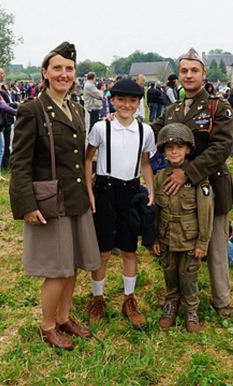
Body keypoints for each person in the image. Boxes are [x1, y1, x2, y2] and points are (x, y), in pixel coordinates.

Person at [9, 42, 101, 350]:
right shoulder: (31, 109)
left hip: (75, 198)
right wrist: (26, 204)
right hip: (51, 201)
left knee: (73, 264)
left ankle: (64, 317)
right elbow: (19, 161)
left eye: (69, 69)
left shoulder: (75, 107)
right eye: (57, 68)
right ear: (45, 73)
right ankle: (48, 326)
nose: (64, 74)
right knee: (58, 270)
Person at [151, 48, 233, 318]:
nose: (188, 75)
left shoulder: (218, 107)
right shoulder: (172, 109)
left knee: (215, 245)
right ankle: (180, 297)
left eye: (194, 70)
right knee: (177, 243)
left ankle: (222, 301)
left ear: (203, 74)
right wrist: (123, 124)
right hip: (175, 192)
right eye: (184, 71)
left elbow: (221, 147)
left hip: (210, 184)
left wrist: (187, 171)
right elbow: (153, 131)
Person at [84, 78, 156, 329]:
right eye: (121, 100)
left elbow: (145, 162)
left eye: (133, 100)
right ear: (112, 101)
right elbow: (88, 158)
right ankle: (97, 298)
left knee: (129, 249)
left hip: (130, 190)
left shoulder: (144, 131)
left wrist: (151, 190)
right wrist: (89, 191)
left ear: (139, 103)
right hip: (105, 191)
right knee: (103, 251)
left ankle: (129, 298)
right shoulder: (101, 128)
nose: (127, 105)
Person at [151, 123, 213, 332]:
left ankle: (191, 309)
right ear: (163, 150)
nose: (174, 151)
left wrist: (202, 242)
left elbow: (205, 212)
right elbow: (156, 211)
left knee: (189, 276)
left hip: (189, 238)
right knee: (169, 272)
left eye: (179, 146)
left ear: (188, 149)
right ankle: (171, 304)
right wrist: (156, 239)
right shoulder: (159, 177)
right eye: (169, 148)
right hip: (167, 237)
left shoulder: (197, 179)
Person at [0, 67, 20, 170]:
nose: (4, 75)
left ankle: (2, 166)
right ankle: (3, 167)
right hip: (3, 120)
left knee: (3, 146)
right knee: (2, 147)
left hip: (7, 119)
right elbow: (4, 106)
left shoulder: (1, 89)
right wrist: (15, 109)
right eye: (2, 73)